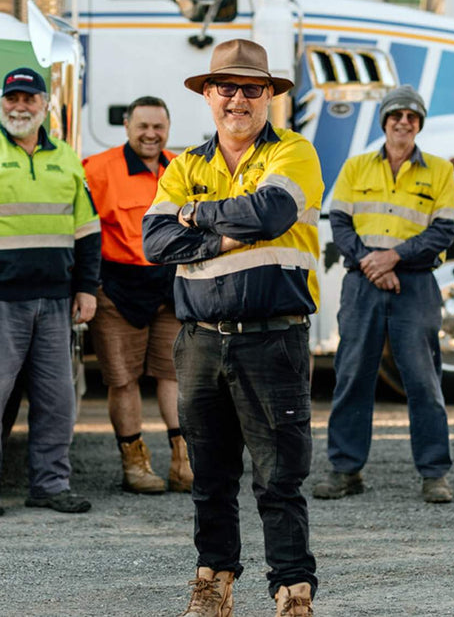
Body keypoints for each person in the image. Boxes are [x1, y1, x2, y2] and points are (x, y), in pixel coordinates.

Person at [143, 39, 323, 617]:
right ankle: (213, 584)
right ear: (208, 94)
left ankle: (292, 591)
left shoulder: (294, 152)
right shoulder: (185, 164)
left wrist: (195, 213)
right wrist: (224, 235)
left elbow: (270, 213)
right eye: (227, 87)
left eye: (252, 88)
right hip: (199, 341)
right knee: (210, 476)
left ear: (269, 95)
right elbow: (154, 241)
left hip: (273, 339)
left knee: (279, 477)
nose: (238, 99)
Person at [0, 67, 101, 517]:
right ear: (2, 104)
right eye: (12, 98)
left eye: (29, 98)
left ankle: (51, 485)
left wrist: (87, 288)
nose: (20, 106)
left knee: (57, 399)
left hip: (55, 302)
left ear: (45, 105)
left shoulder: (66, 159)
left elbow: (88, 233)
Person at [313, 85, 454, 504]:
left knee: (423, 380)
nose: (403, 122)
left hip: (415, 284)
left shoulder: (440, 171)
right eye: (396, 115)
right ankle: (345, 471)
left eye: (412, 116)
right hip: (363, 284)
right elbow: (339, 223)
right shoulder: (357, 166)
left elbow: (444, 230)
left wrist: (393, 258)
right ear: (384, 121)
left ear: (420, 124)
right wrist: (371, 264)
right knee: (352, 375)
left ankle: (434, 474)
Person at [83, 96, 192, 495]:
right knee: (123, 379)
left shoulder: (180, 168)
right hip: (117, 290)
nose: (151, 134)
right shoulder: (97, 169)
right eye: (142, 126)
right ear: (127, 125)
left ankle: (183, 462)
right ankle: (135, 464)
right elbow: (83, 231)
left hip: (168, 287)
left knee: (174, 375)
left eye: (158, 127)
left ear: (168, 129)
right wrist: (89, 285)